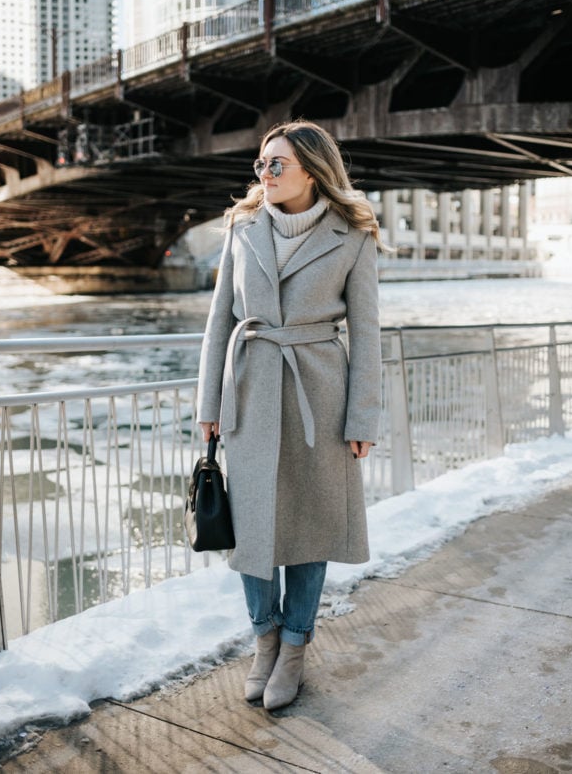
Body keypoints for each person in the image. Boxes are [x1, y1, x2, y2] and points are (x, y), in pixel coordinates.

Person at [197, 119, 383, 711]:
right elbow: (219, 321)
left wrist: (361, 419)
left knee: (311, 524)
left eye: (277, 164)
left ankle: (296, 647)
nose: (265, 174)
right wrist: (208, 407)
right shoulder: (242, 227)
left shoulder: (351, 234)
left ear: (312, 168)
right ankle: (264, 639)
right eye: (261, 164)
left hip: (318, 394)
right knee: (252, 526)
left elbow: (368, 332)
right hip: (249, 390)